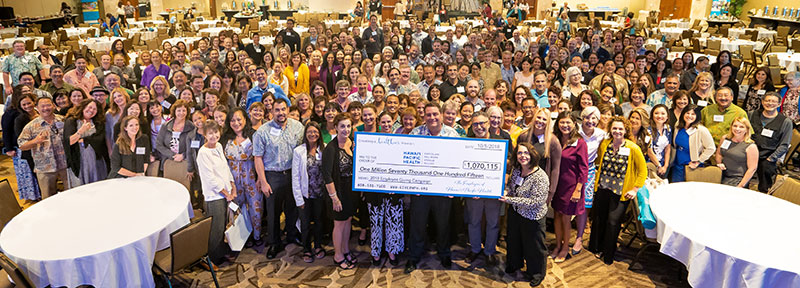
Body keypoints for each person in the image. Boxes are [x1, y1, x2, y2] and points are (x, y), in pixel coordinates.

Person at [405, 103, 460, 274]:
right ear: (424, 117)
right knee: (417, 224)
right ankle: (414, 256)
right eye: (428, 115)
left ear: (442, 115)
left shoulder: (452, 134)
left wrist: (454, 187)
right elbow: (407, 159)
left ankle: (444, 253)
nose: (432, 118)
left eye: (435, 114)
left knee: (443, 224)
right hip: (420, 189)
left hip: (443, 189)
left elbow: (458, 161)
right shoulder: (416, 133)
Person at [589, 116, 647, 265]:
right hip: (603, 188)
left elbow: (643, 171)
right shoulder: (605, 144)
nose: (617, 131)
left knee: (613, 222)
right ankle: (596, 248)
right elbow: (599, 162)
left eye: (620, 128)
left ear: (626, 130)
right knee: (599, 219)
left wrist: (634, 189)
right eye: (614, 128)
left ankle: (608, 254)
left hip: (621, 192)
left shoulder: (633, 148)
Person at [253, 98, 304, 259]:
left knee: (292, 208)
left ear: (288, 110)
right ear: (271, 111)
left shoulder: (298, 127)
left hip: (292, 174)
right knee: (273, 212)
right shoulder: (262, 131)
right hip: (272, 175)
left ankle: (291, 235)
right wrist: (263, 180)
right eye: (277, 110)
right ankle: (274, 243)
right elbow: (258, 157)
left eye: (283, 109)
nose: (281, 113)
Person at [502, 142, 549, 287]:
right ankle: (514, 264)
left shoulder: (540, 176)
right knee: (514, 240)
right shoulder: (517, 170)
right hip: (516, 212)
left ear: (532, 155)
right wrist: (507, 191)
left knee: (534, 246)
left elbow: (535, 202)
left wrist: (508, 199)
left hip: (532, 216)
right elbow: (511, 186)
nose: (523, 156)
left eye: (526, 153)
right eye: (520, 153)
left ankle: (536, 273)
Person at [463, 111, 503, 267]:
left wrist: (501, 186)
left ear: (489, 123)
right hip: (473, 192)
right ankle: (474, 248)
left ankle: (489, 251)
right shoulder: (467, 144)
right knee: (474, 221)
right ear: (472, 127)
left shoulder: (501, 142)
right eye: (475, 124)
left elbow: (508, 167)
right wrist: (468, 188)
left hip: (493, 192)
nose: (479, 127)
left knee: (493, 223)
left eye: (482, 123)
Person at [196, 119, 237, 265]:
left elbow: (225, 167)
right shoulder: (203, 153)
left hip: (226, 192)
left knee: (223, 225)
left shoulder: (219, 146)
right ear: (205, 135)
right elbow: (210, 178)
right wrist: (226, 193)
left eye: (216, 132)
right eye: (210, 133)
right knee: (216, 228)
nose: (214, 136)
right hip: (214, 195)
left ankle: (221, 252)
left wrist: (232, 185)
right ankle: (211, 259)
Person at [222, 108, 263, 248]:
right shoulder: (224, 138)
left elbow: (261, 157)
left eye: (239, 119)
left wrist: (260, 179)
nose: (236, 123)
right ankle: (242, 237)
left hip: (252, 179)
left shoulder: (254, 135)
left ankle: (257, 236)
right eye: (232, 120)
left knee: (255, 208)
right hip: (233, 181)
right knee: (237, 209)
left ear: (245, 119)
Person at [321, 112, 357, 269]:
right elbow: (327, 175)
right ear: (335, 127)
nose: (346, 129)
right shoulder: (331, 148)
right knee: (339, 223)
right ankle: (338, 255)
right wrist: (334, 198)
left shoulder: (352, 143)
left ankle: (346, 249)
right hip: (338, 191)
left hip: (351, 190)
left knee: (348, 220)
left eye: (348, 126)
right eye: (342, 126)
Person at [551, 112, 588, 262]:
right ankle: (557, 245)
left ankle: (565, 248)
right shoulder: (555, 140)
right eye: (562, 122)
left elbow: (584, 168)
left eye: (568, 123)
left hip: (572, 186)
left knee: (566, 219)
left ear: (574, 124)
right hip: (556, 185)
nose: (565, 126)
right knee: (557, 216)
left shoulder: (580, 143)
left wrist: (578, 189)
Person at [17, 97, 69, 199]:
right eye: (42, 106)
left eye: (48, 105)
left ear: (53, 105)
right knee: (48, 198)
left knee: (70, 193)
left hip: (66, 165)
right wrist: (35, 141)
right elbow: (21, 145)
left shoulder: (63, 120)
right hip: (45, 168)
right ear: (37, 108)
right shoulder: (31, 126)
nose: (46, 108)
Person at [292, 122, 327, 263]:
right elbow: (295, 177)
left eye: (315, 131)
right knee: (305, 224)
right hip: (305, 194)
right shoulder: (298, 151)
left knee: (319, 222)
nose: (313, 134)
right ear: (305, 134)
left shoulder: (324, 150)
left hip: (320, 194)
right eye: (310, 132)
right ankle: (306, 248)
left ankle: (318, 245)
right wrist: (298, 199)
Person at [749, 92, 792, 192]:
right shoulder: (752, 115)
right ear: (762, 102)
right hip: (749, 152)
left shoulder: (785, 122)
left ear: (779, 104)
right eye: (767, 100)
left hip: (768, 156)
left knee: (766, 169)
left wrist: (771, 158)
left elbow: (784, 145)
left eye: (773, 101)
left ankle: (764, 193)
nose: (770, 103)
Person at [4, 90, 40, 200]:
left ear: (34, 102)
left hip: (45, 149)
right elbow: (20, 139)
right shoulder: (20, 119)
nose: (27, 106)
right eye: (24, 104)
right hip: (30, 151)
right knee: (36, 175)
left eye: (29, 103)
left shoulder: (41, 112)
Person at [63, 98, 108, 186]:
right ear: (83, 107)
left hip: (96, 160)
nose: (91, 110)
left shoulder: (98, 122)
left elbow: (100, 139)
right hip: (79, 160)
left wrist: (85, 140)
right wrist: (81, 131)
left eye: (95, 109)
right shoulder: (71, 121)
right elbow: (69, 142)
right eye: (90, 107)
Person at [671, 105, 716, 182]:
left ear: (697, 116)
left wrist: (699, 161)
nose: (689, 116)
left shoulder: (701, 130)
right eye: (687, 113)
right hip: (677, 165)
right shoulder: (678, 126)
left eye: (693, 114)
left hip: (692, 167)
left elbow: (711, 148)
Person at [715, 117, 758, 187]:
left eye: (741, 127)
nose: (737, 129)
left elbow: (752, 169)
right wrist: (719, 163)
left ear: (747, 129)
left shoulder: (751, 146)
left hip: (737, 179)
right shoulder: (725, 138)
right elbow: (719, 153)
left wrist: (740, 186)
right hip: (721, 174)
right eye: (735, 126)